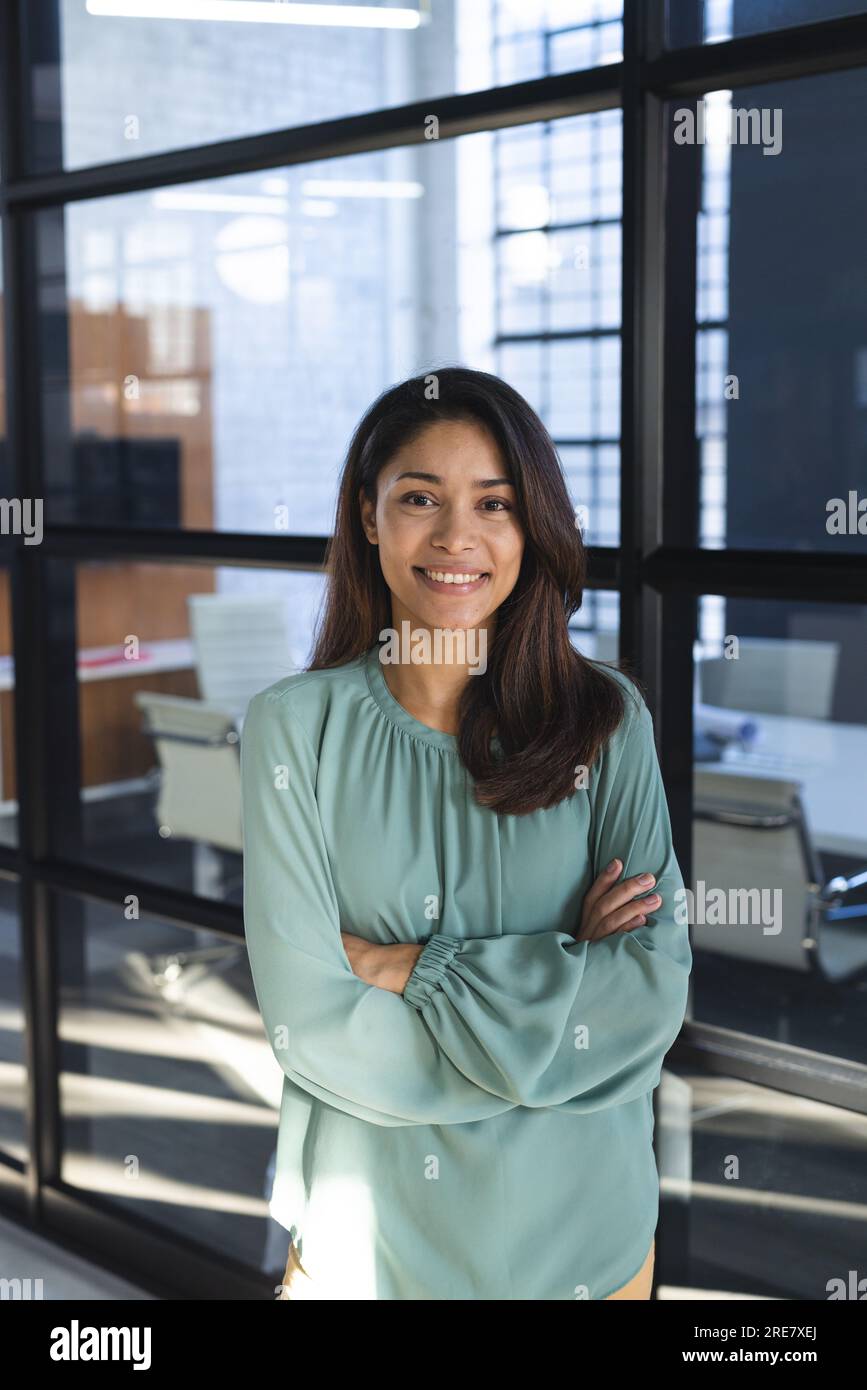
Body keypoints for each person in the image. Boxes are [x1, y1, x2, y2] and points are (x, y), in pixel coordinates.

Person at [242, 366, 692, 1301]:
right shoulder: (295, 727)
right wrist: (561, 986)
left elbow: (645, 998)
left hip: (589, 1241)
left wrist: (406, 968)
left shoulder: (606, 720)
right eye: (419, 498)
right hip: (366, 1246)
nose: (456, 537)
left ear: (532, 525)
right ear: (368, 517)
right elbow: (309, 1025)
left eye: (495, 503)